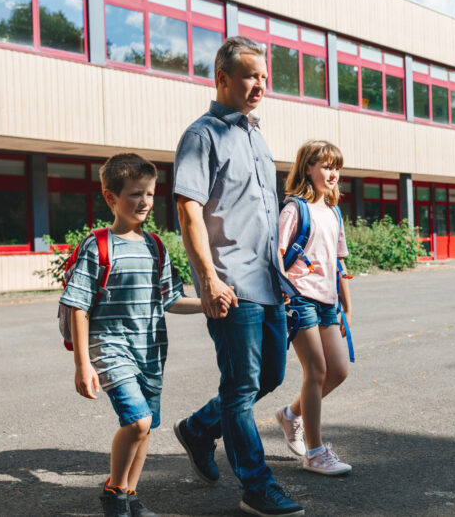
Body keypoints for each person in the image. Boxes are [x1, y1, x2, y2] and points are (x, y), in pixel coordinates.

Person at [172, 36, 304, 517]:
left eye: (265, 77)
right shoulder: (202, 135)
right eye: (251, 76)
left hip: (267, 282)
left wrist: (284, 274)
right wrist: (208, 279)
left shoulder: (256, 137)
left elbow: (264, 217)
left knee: (271, 375)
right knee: (242, 386)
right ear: (223, 78)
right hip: (229, 282)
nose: (260, 85)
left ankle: (198, 429)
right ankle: (256, 485)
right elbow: (189, 210)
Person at [61, 153, 222, 517]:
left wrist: (209, 302)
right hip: (109, 348)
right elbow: (78, 305)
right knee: (138, 421)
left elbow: (171, 299)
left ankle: (130, 496)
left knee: (144, 428)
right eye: (135, 194)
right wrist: (82, 364)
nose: (145, 201)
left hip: (150, 351)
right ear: (110, 197)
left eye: (149, 193)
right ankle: (114, 493)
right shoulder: (97, 245)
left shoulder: (155, 246)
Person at [275, 141, 353, 476]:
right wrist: (284, 292)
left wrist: (346, 305)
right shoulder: (295, 209)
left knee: (339, 371)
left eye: (336, 168)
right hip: (300, 298)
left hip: (327, 302)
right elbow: (277, 254)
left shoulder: (333, 211)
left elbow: (338, 262)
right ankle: (315, 452)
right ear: (308, 168)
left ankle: (290, 414)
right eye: (326, 166)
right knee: (317, 370)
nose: (333, 174)